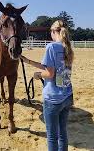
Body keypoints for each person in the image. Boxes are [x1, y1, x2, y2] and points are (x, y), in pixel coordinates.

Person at [20, 20, 74, 151]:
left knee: (51, 136)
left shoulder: (51, 47)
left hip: (53, 99)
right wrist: (28, 61)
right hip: (67, 96)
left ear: (54, 32)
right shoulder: (67, 48)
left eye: (51, 31)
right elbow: (52, 67)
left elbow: (49, 73)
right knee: (62, 133)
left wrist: (38, 75)